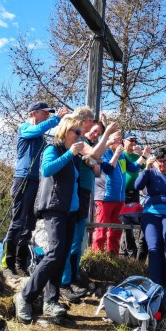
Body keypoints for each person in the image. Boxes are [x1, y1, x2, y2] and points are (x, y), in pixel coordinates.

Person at [14, 117, 84, 323]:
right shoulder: (52, 149)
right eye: (76, 131)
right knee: (54, 254)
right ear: (64, 131)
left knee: (61, 256)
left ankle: (51, 301)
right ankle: (25, 295)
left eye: (80, 132)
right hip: (54, 208)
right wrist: (70, 154)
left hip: (70, 211)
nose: (80, 135)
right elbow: (47, 170)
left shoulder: (73, 156)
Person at [59, 108, 119, 302]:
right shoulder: (77, 140)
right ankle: (65, 281)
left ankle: (74, 277)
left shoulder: (84, 142)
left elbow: (97, 165)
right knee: (69, 238)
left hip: (85, 192)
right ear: (85, 121)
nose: (94, 129)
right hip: (75, 191)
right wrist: (107, 135)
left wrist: (101, 149)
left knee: (78, 237)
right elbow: (93, 155)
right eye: (92, 124)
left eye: (98, 129)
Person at [3, 101, 68, 277]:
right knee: (18, 220)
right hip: (22, 178)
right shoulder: (24, 128)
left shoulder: (41, 137)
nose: (47, 115)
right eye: (45, 112)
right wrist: (56, 119)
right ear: (34, 113)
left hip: (35, 180)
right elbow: (36, 130)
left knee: (29, 221)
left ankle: (21, 263)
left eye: (49, 113)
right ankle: (8, 263)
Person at [134, 147, 166, 299]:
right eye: (160, 161)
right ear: (155, 161)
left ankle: (165, 281)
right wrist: (147, 168)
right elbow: (137, 186)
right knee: (154, 246)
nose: (163, 164)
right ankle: (156, 284)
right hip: (150, 214)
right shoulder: (150, 173)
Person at [92, 134, 149, 255]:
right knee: (102, 229)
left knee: (116, 230)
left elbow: (133, 168)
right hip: (105, 198)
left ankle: (113, 255)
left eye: (120, 139)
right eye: (116, 139)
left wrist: (143, 156)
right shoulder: (105, 153)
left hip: (120, 199)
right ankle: (97, 256)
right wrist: (116, 154)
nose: (119, 141)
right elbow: (108, 169)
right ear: (109, 140)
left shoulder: (123, 155)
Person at [119, 132, 150, 260]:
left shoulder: (137, 156)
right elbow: (128, 169)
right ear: (123, 141)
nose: (133, 143)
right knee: (126, 223)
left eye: (135, 141)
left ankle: (125, 253)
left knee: (135, 221)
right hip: (124, 192)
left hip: (135, 193)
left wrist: (144, 156)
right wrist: (141, 157)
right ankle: (131, 251)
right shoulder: (122, 155)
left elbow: (148, 167)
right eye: (130, 140)